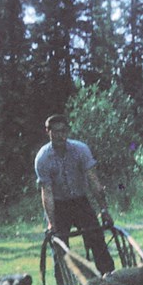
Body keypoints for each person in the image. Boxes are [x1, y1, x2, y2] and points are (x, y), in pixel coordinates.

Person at [35, 114, 115, 274]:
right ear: (48, 132)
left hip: (80, 201)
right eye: (56, 132)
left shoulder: (80, 150)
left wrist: (104, 210)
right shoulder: (43, 158)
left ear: (68, 131)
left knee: (97, 239)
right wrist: (51, 223)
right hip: (58, 205)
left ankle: (110, 278)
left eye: (63, 131)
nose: (60, 136)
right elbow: (47, 192)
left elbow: (94, 182)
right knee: (59, 246)